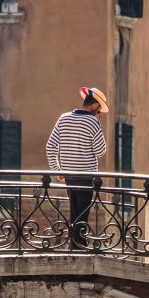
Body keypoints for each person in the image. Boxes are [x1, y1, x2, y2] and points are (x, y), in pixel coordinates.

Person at [46, 86, 109, 248]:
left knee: (74, 211)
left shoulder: (63, 118)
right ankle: (79, 245)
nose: (99, 112)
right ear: (95, 106)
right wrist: (98, 125)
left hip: (69, 175)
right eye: (99, 109)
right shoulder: (93, 122)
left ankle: (74, 244)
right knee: (82, 212)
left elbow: (51, 146)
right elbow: (100, 151)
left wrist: (57, 169)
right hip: (86, 175)